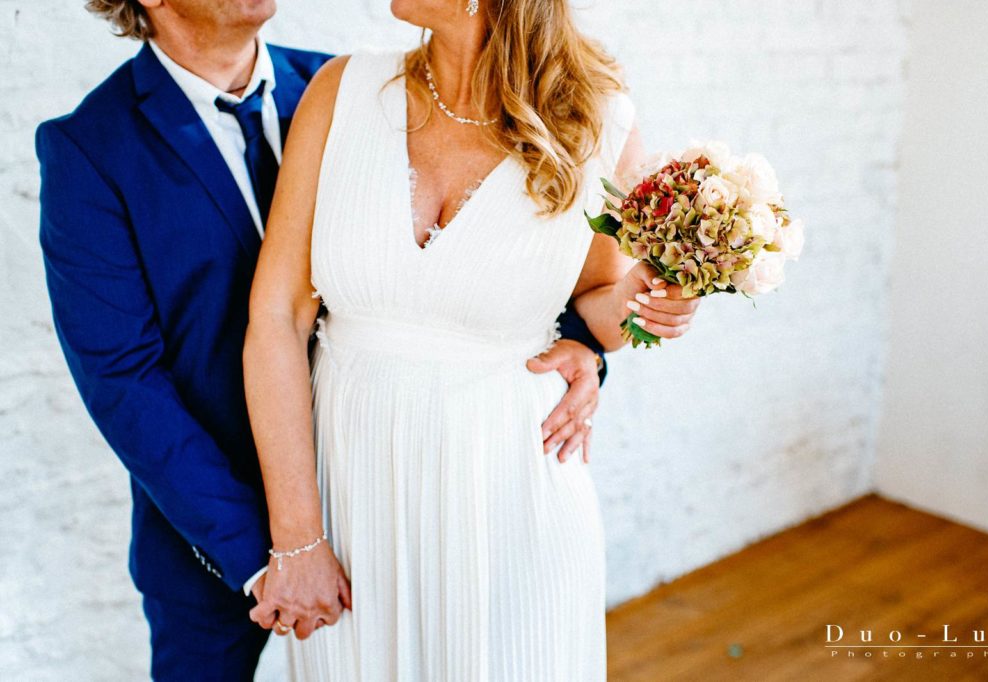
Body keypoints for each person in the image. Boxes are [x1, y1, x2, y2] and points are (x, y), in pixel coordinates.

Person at [36, 0, 609, 678]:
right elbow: (123, 382)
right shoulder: (91, 148)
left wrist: (583, 346)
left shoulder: (352, 91)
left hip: (389, 501)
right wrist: (274, 552)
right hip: (221, 545)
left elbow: (511, 262)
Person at [243, 0, 701, 678]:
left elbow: (597, 305)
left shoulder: (596, 123)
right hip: (355, 492)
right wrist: (297, 539)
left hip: (508, 489)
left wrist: (667, 297)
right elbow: (277, 317)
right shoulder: (341, 92)